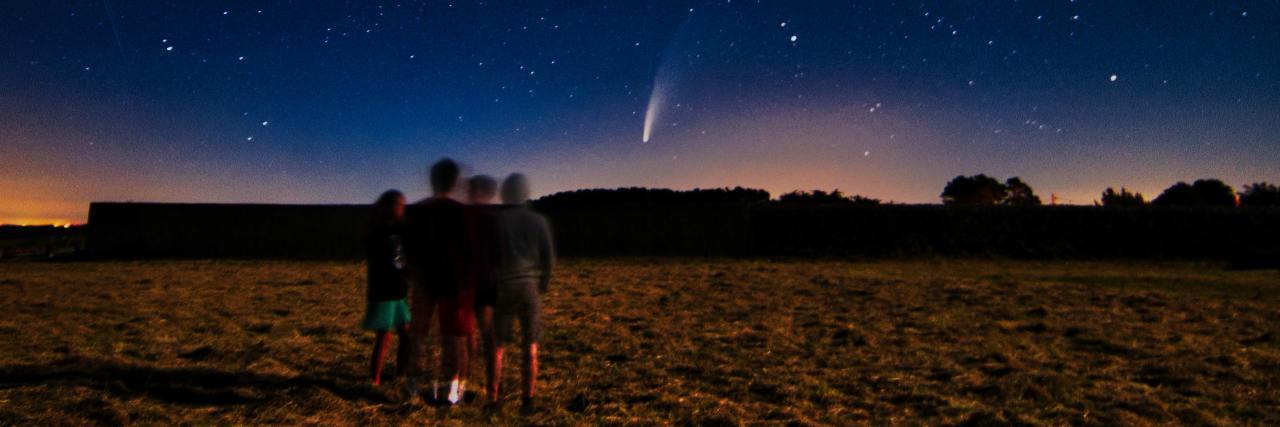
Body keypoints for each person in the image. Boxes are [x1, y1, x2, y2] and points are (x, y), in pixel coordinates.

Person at [403, 158, 477, 405]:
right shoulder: (462, 212)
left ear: (432, 180)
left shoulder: (418, 211)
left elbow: (409, 249)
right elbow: (470, 250)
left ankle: (413, 385)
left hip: (425, 280)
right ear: (454, 182)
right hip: (454, 283)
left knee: (419, 334)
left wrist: (414, 273)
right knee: (453, 337)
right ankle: (453, 389)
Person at [490, 173, 554, 414]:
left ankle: (494, 399)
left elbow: (490, 256)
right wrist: (542, 285)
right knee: (531, 345)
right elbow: (549, 259)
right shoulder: (539, 222)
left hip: (504, 286)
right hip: (529, 287)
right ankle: (528, 400)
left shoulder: (497, 221)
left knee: (498, 345)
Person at [361, 190, 412, 386]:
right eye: (400, 205)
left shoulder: (398, 230)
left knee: (406, 335)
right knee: (385, 336)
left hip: (398, 291)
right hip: (384, 290)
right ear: (389, 207)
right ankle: (374, 379)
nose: (402, 210)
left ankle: (400, 375)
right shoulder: (377, 230)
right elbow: (380, 258)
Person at [465, 175, 502, 403]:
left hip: (470, 283)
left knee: (468, 334)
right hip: (487, 282)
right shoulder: (492, 219)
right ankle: (493, 389)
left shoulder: (463, 219)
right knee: (489, 337)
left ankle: (467, 380)